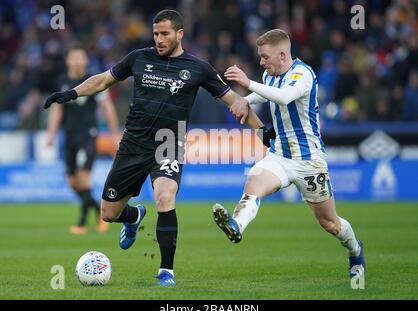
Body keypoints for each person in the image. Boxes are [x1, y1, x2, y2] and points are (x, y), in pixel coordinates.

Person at [43, 9, 264, 286]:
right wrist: (71, 93)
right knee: (108, 213)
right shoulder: (138, 58)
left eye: (165, 34)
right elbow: (101, 80)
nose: (159, 39)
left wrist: (263, 132)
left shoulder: (199, 68)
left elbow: (235, 101)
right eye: (156, 33)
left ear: (179, 34)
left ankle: (166, 271)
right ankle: (134, 216)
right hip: (133, 142)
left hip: (168, 142)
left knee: (164, 196)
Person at [213, 29, 366, 280]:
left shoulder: (303, 74)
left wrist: (247, 83)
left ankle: (355, 250)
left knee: (330, 224)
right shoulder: (269, 74)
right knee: (254, 182)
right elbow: (266, 91)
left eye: (265, 57)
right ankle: (236, 225)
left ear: (282, 55)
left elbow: (284, 97)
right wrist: (246, 100)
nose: (262, 62)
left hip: (309, 161)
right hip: (279, 155)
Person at [45, 45, 120, 235]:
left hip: (89, 134)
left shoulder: (94, 81)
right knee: (72, 181)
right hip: (69, 135)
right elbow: (57, 109)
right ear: (68, 61)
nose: (77, 61)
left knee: (83, 177)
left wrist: (114, 134)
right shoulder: (62, 81)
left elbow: (107, 107)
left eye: (81, 58)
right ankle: (99, 213)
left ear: (86, 60)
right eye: (74, 58)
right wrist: (51, 134)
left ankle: (81, 223)